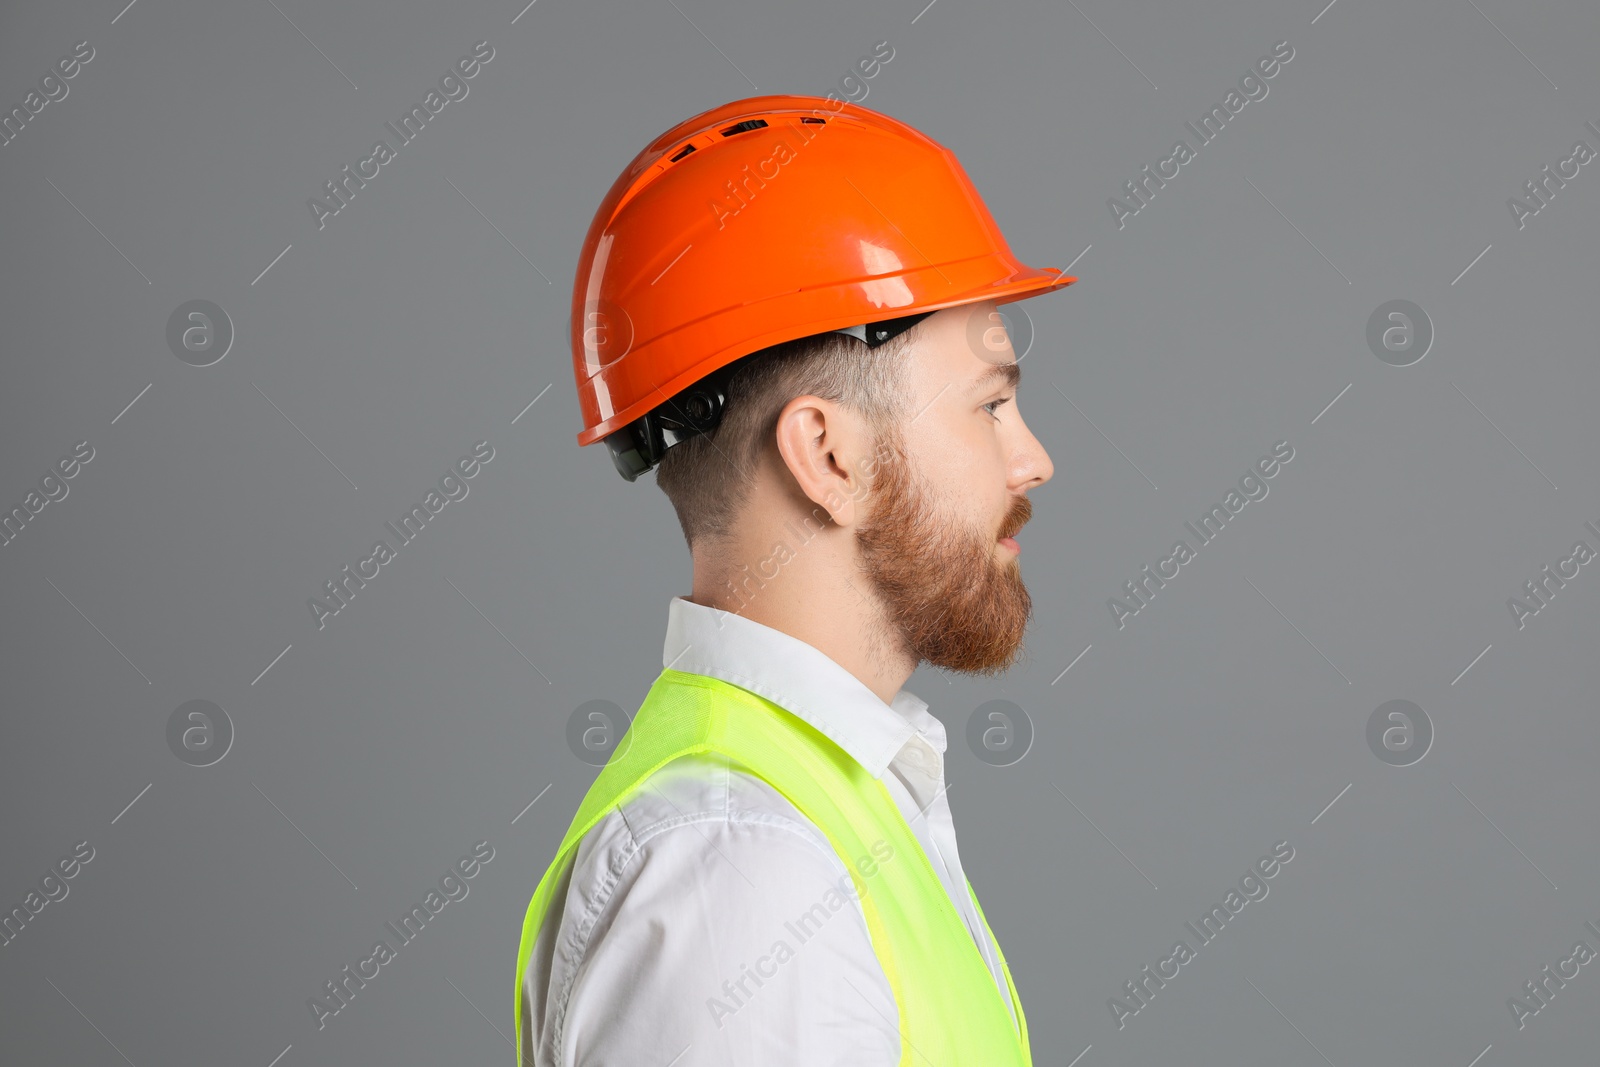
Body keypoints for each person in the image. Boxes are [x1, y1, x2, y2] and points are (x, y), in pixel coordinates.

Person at [514, 93, 1077, 1066]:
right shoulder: (745, 870)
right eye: (989, 404)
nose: (1032, 460)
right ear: (828, 454)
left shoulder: (820, 806)